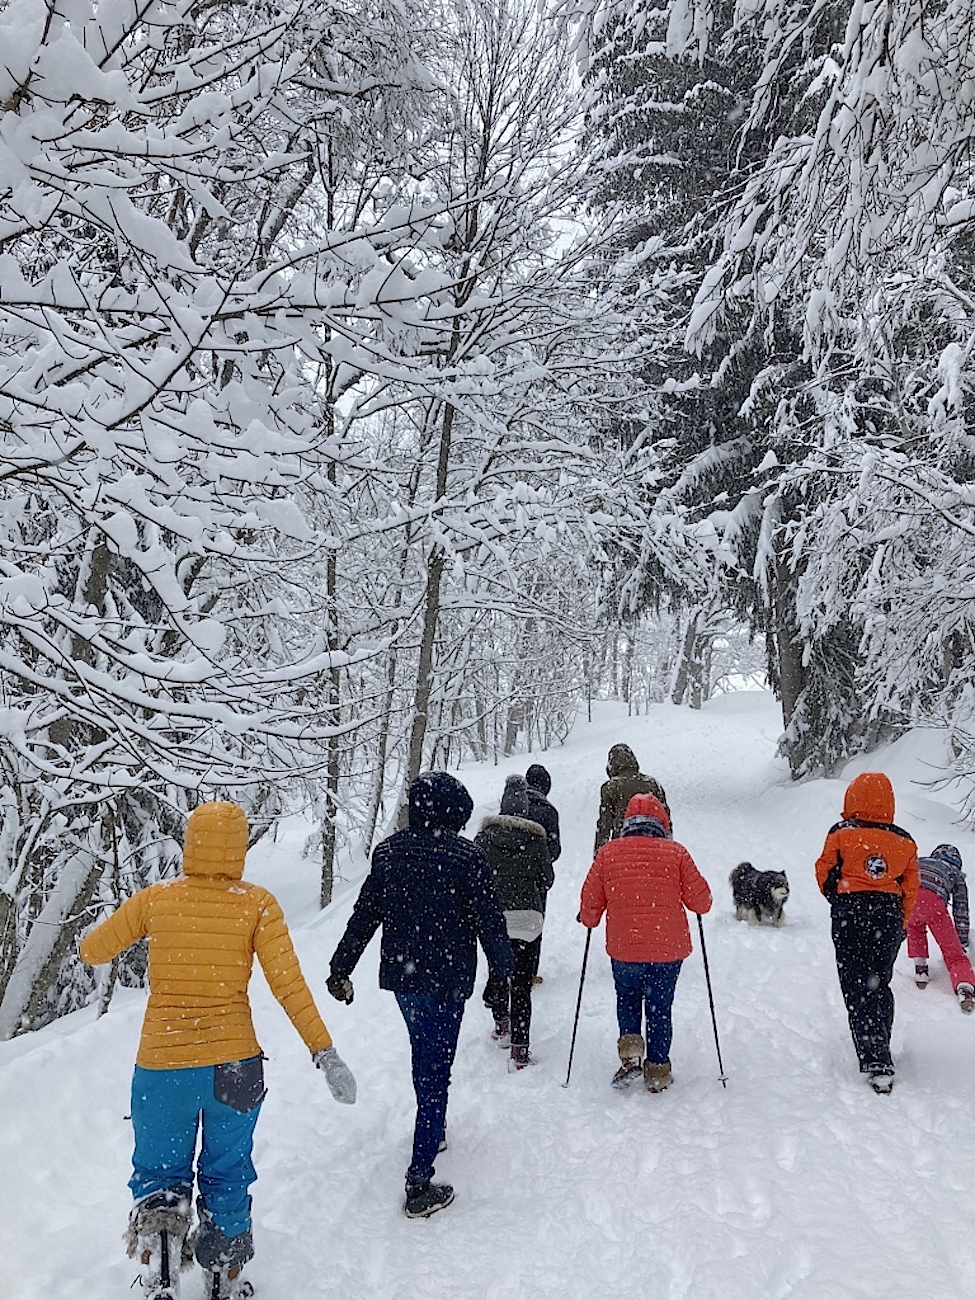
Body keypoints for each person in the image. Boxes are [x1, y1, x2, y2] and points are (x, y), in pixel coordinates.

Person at [80, 801, 355, 1300]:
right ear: (239, 848)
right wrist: (324, 1051)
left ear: (191, 843)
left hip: (163, 1067)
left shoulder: (156, 899)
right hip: (234, 1068)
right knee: (228, 1171)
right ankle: (223, 1278)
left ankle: (160, 1269)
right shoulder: (258, 904)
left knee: (161, 1171)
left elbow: (93, 950)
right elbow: (288, 985)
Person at [326, 771, 513, 1219]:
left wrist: (341, 967)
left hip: (405, 979)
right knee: (436, 1068)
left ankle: (434, 1125)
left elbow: (365, 914)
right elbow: (490, 922)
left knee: (423, 1054)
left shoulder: (389, 853)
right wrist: (501, 974)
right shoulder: (469, 857)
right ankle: (418, 1180)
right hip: (448, 979)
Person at [579, 793, 711, 1092]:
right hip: (668, 949)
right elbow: (701, 901)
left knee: (627, 999)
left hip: (625, 948)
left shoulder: (608, 853)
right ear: (661, 822)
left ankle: (630, 1057)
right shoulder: (676, 853)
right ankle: (658, 1072)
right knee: (660, 1008)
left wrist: (590, 918)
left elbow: (590, 898)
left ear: (627, 822)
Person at [815, 772, 920, 1093]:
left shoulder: (842, 832)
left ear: (852, 798)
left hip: (851, 912)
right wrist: (900, 922)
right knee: (879, 980)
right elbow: (911, 888)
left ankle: (876, 1057)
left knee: (856, 984)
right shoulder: (905, 841)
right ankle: (880, 1038)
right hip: (888, 915)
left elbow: (824, 870)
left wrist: (839, 895)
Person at [475, 774, 554, 1068]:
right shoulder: (536, 838)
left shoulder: (484, 838)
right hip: (528, 919)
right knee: (521, 984)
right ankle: (520, 1051)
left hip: (494, 918)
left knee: (498, 970)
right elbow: (547, 879)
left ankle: (501, 1024)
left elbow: (474, 875)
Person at [908, 843, 975, 1011]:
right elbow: (961, 910)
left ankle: (921, 969)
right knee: (954, 953)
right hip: (933, 903)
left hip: (909, 898)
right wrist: (962, 940)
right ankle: (965, 987)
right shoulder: (956, 874)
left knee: (915, 928)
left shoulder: (921, 862)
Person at [594, 743, 670, 852]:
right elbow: (665, 817)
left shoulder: (611, 787)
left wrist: (599, 852)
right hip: (654, 843)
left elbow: (604, 824)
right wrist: (668, 845)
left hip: (622, 844)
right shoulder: (652, 784)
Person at [525, 763, 560, 985]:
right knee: (534, 923)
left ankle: (505, 970)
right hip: (536, 878)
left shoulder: (509, 806)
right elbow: (554, 850)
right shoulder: (548, 811)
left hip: (505, 875)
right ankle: (528, 972)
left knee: (507, 922)